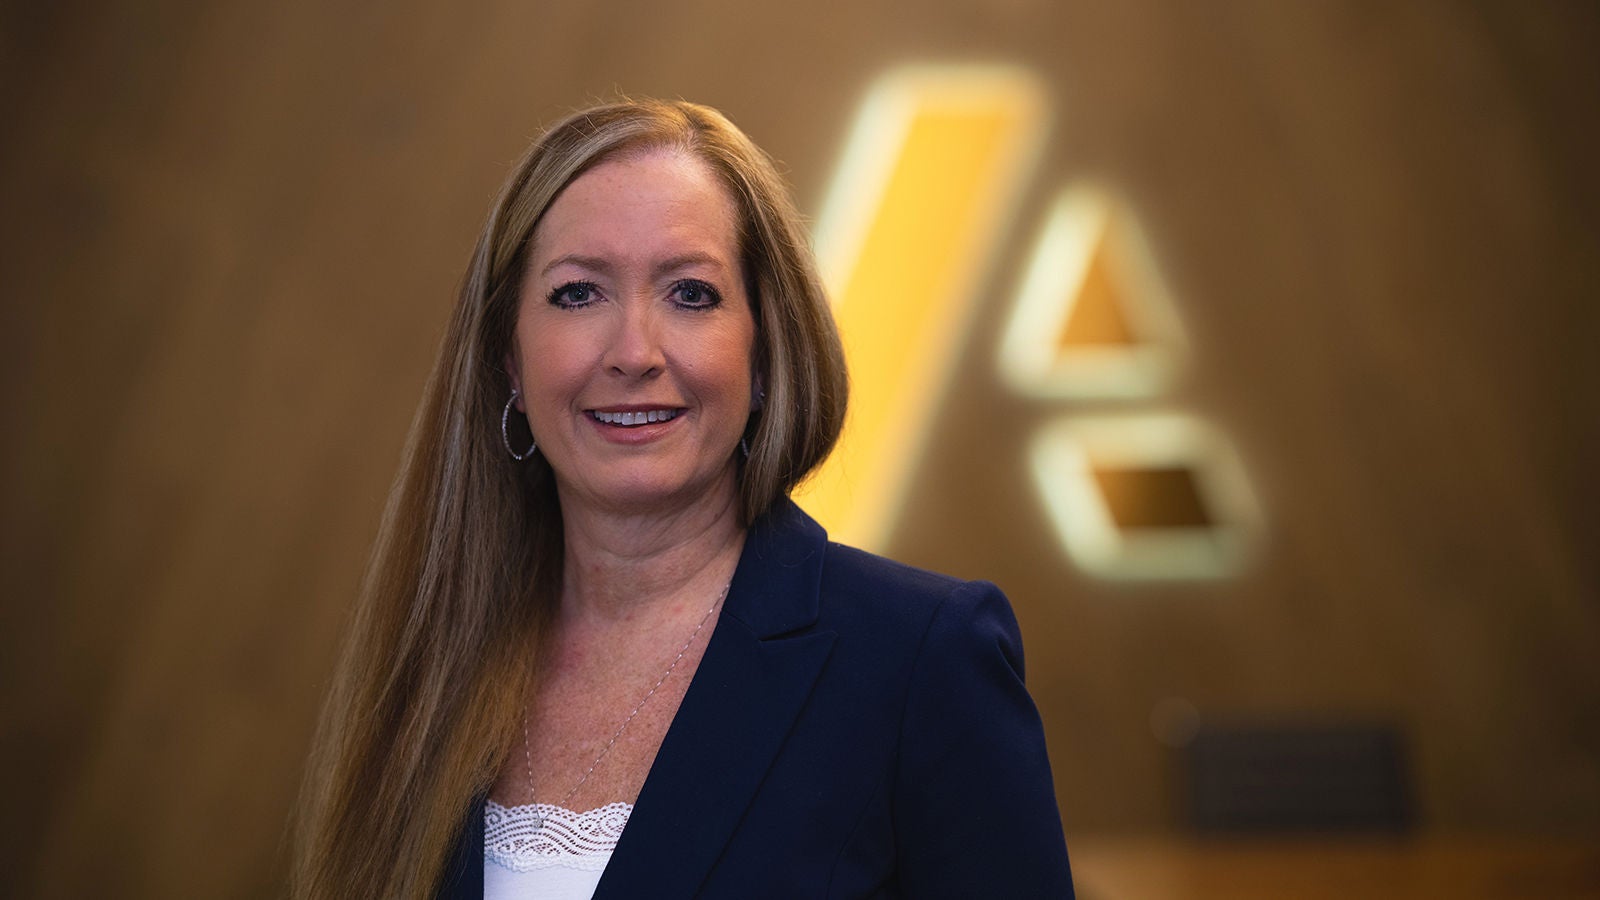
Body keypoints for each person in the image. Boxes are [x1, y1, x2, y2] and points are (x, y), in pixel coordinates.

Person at [292, 98, 1074, 900]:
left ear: (765, 351)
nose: (634, 353)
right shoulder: (433, 667)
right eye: (577, 294)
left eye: (691, 294)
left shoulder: (922, 660)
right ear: (509, 363)